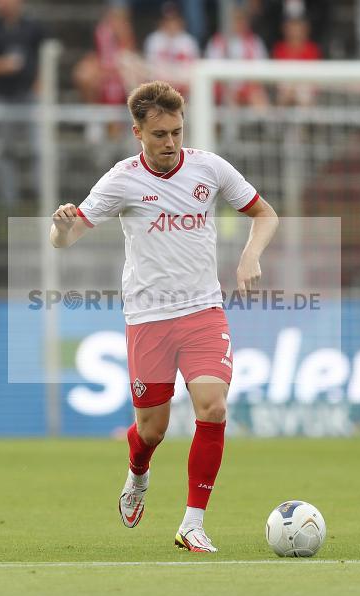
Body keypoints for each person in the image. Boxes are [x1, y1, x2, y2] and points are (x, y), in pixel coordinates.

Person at [49, 81, 279, 552]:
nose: (170, 142)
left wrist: (249, 256)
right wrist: (59, 225)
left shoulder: (209, 168)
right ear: (137, 133)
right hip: (148, 316)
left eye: (176, 131)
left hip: (202, 311)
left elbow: (266, 214)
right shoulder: (121, 180)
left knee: (213, 408)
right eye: (159, 134)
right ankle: (137, 473)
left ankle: (193, 522)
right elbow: (65, 240)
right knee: (152, 429)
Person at [0, 0, 47, 207]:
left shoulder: (33, 27)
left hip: (30, 97)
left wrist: (40, 83)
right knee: (4, 150)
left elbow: (48, 53)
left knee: (39, 148)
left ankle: (44, 197)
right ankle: (9, 202)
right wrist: (2, 66)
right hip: (3, 98)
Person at [205, 6, 269, 108]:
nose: (238, 23)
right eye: (235, 19)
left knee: (259, 99)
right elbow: (212, 70)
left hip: (248, 87)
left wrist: (246, 88)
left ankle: (262, 124)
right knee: (225, 98)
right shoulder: (217, 42)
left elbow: (262, 71)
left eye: (241, 19)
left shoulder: (255, 42)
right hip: (224, 88)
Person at [144, 2, 199, 96]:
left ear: (180, 21)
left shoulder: (188, 41)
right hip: (159, 87)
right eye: (168, 20)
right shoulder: (153, 40)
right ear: (161, 22)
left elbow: (193, 68)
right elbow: (150, 69)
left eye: (174, 20)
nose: (171, 24)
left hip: (183, 86)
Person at [272, 15, 322, 106]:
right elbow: (277, 74)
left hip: (305, 85)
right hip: (285, 85)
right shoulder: (279, 48)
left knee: (304, 98)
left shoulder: (312, 48)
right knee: (284, 96)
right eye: (291, 27)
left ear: (305, 29)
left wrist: (298, 87)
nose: (295, 31)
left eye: (298, 27)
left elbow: (314, 75)